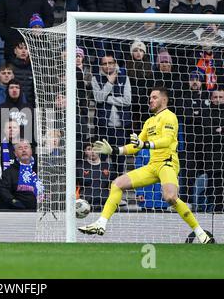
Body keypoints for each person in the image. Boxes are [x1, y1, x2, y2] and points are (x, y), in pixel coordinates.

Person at [79, 87, 214, 244]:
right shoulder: (149, 122)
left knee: (170, 197)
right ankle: (101, 224)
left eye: (155, 97)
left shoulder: (169, 117)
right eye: (150, 97)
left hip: (167, 164)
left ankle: (200, 233)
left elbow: (167, 141)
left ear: (164, 100)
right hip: (152, 166)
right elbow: (136, 145)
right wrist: (115, 150)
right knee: (117, 184)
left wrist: (146, 144)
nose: (151, 100)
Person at [0, 139, 41, 210]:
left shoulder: (41, 169)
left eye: (26, 147)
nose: (24, 150)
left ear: (31, 151)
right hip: (19, 211)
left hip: (42, 210)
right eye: (20, 148)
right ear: (15, 153)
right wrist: (14, 201)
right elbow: (3, 189)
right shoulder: (9, 172)